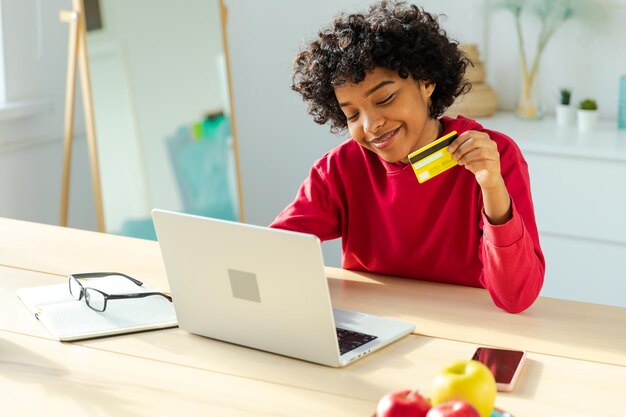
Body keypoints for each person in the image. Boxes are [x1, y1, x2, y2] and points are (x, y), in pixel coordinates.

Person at [270, 0, 545, 313]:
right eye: (352, 114)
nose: (371, 125)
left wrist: (492, 186)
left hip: (467, 328)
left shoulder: (495, 156)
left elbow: (516, 297)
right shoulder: (338, 169)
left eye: (385, 99)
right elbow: (274, 250)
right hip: (371, 328)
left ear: (426, 82)